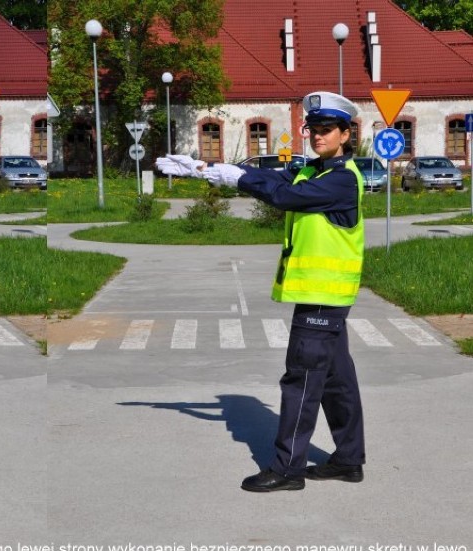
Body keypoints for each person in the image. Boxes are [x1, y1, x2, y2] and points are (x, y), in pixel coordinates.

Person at [156, 91, 366, 492]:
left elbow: (285, 196)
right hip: (323, 297)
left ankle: (288, 469)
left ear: (345, 134)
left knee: (301, 381)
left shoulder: (340, 179)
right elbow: (273, 178)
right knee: (337, 381)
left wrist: (238, 178)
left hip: (323, 297)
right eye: (312, 129)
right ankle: (348, 460)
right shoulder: (314, 171)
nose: (316, 136)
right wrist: (208, 168)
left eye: (326, 130)